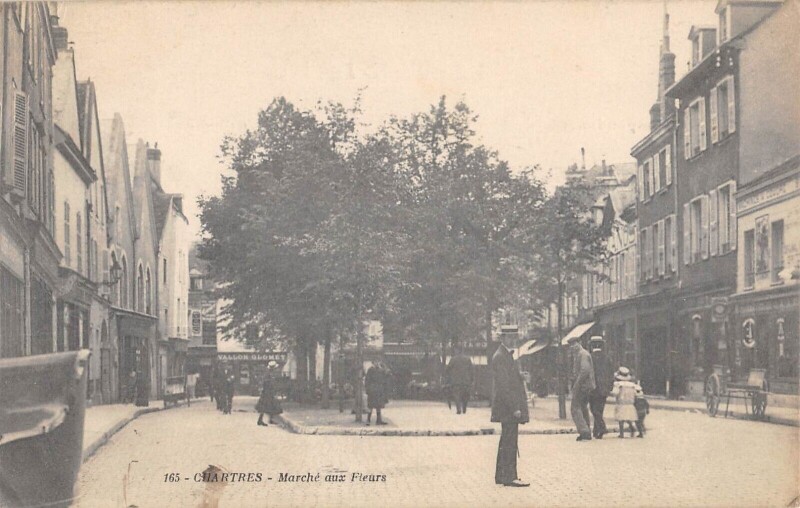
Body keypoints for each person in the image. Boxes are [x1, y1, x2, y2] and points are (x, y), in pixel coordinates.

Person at [491, 335, 530, 488]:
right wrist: (515, 407)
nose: (513, 339)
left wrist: (519, 376)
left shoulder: (504, 355)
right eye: (510, 337)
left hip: (505, 407)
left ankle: (501, 475)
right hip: (508, 408)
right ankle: (510, 477)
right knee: (510, 442)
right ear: (504, 338)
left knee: (506, 440)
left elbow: (508, 380)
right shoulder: (501, 357)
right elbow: (504, 386)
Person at [569, 336, 595, 441]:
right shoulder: (580, 354)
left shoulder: (582, 354)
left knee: (575, 408)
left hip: (582, 386)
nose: (572, 346)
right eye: (571, 345)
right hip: (586, 385)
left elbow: (585, 370)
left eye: (574, 344)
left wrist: (577, 384)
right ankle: (587, 431)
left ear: (579, 343)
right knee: (583, 408)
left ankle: (584, 430)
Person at [589, 337, 613, 439]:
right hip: (604, 388)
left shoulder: (590, 358)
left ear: (592, 346)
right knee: (600, 409)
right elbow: (611, 373)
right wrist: (610, 387)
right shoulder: (607, 358)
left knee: (593, 409)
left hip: (593, 388)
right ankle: (596, 431)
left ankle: (602, 427)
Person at [611, 367, 639, 438]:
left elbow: (615, 393)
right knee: (628, 416)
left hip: (621, 402)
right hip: (630, 403)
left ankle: (621, 433)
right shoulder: (632, 385)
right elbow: (636, 393)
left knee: (621, 419)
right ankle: (631, 427)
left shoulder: (618, 384)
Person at [446, 346, 474, 415]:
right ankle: (464, 407)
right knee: (465, 395)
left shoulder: (453, 359)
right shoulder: (468, 359)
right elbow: (471, 370)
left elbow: (448, 369)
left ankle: (458, 409)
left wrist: (448, 377)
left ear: (457, 350)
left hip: (456, 381)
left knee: (457, 395)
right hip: (466, 381)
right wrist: (471, 379)